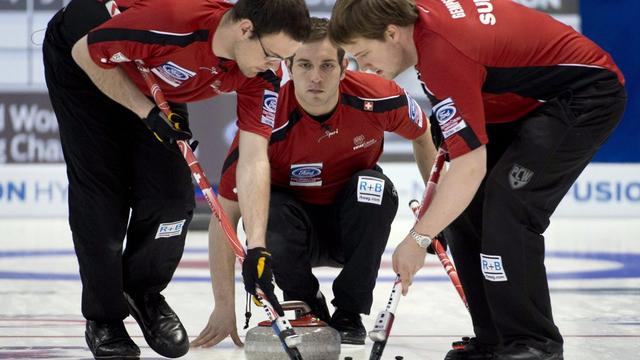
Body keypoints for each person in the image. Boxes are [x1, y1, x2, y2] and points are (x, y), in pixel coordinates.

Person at [328, 0, 627, 359]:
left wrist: (418, 238)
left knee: (509, 206)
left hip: (582, 94)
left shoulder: (441, 50)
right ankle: (495, 340)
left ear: (392, 33)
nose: (365, 66)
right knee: (464, 211)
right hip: (514, 100)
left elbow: (470, 167)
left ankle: (535, 343)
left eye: (364, 53)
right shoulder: (418, 29)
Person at [42, 0, 310, 358]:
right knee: (103, 200)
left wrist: (257, 247)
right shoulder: (173, 24)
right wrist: (145, 112)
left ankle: (143, 292)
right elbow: (86, 52)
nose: (274, 67)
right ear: (245, 30)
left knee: (172, 203)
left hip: (155, 75)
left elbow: (254, 159)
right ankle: (104, 317)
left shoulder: (261, 73)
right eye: (272, 55)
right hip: (83, 58)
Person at [189, 17, 436, 348]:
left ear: (344, 67)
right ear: (288, 66)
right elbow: (225, 217)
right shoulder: (264, 123)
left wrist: (432, 220)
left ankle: (349, 312)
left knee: (374, 188)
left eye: (326, 66)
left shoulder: (380, 97)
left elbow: (423, 137)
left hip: (349, 227)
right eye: (304, 65)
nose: (316, 77)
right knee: (265, 207)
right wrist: (223, 306)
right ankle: (306, 305)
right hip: (289, 233)